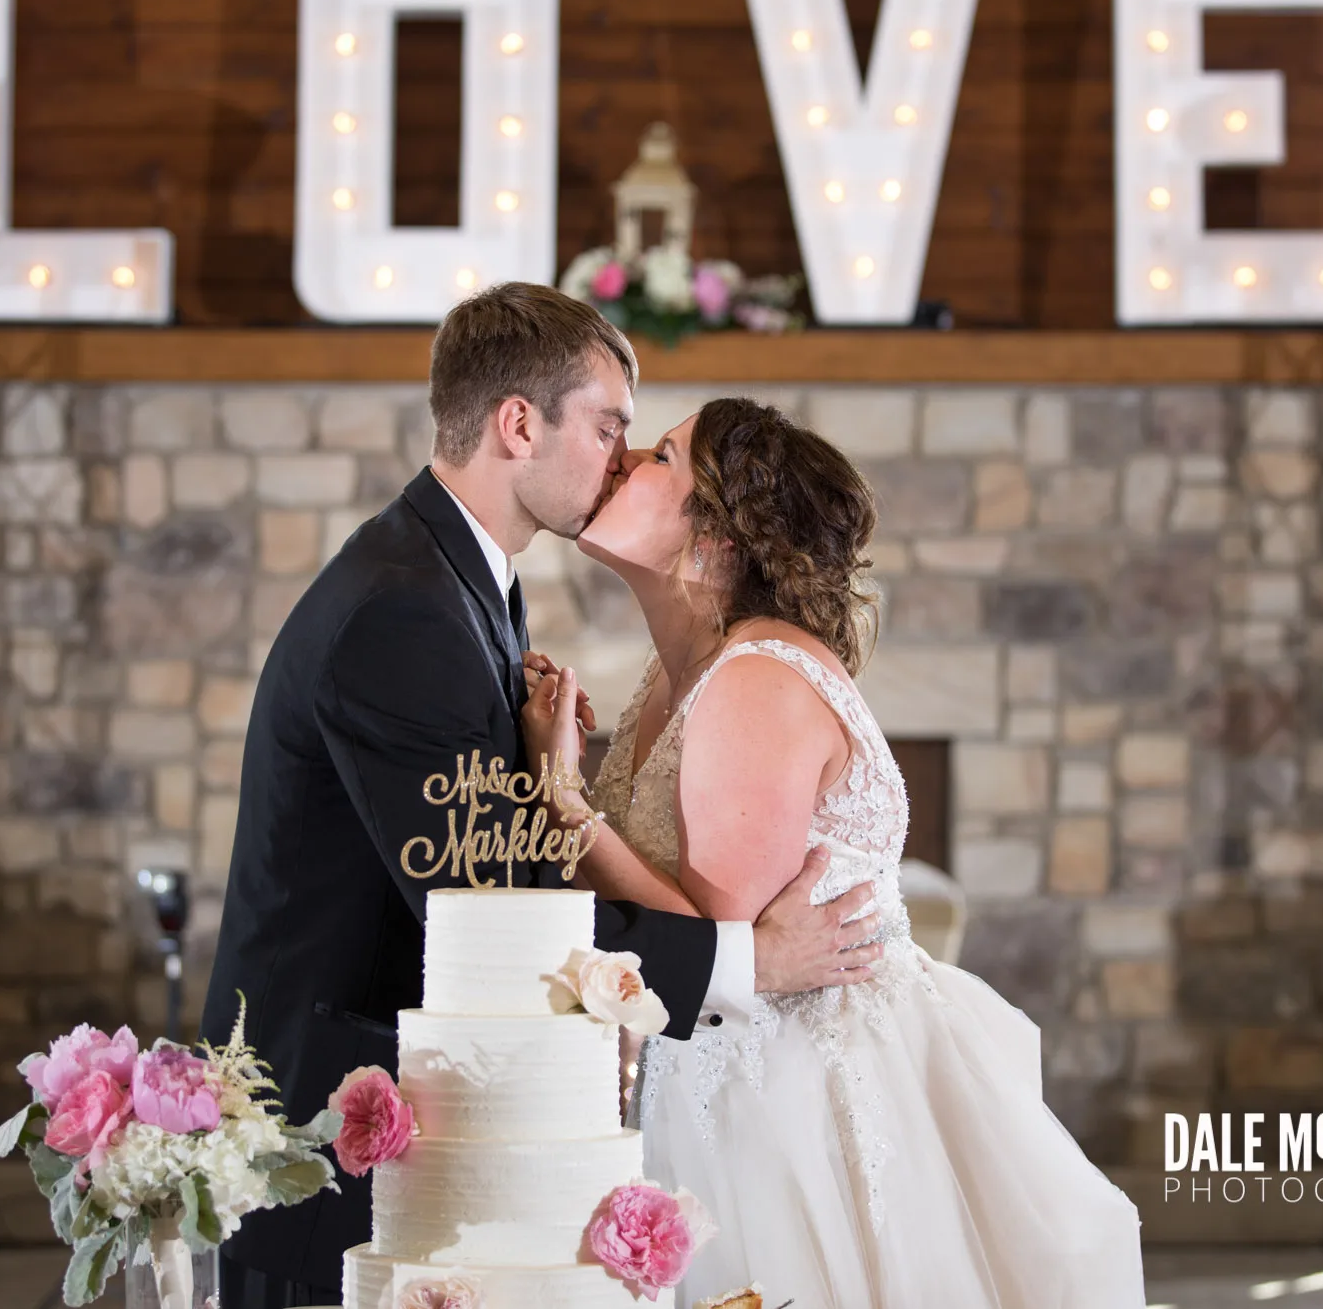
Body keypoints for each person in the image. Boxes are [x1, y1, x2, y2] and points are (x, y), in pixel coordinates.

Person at [199, 285, 882, 1308]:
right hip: (333, 1151)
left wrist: (553, 786)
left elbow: (498, 859)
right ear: (518, 423)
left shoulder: (463, 585)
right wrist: (748, 960)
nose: (620, 456)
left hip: (412, 1131)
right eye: (610, 426)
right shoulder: (404, 613)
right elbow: (482, 912)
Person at [523, 397, 1147, 1308]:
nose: (622, 463)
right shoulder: (679, 670)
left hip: (780, 1103)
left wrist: (564, 801)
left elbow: (718, 942)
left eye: (659, 455)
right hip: (709, 1066)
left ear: (716, 540)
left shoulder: (756, 681)